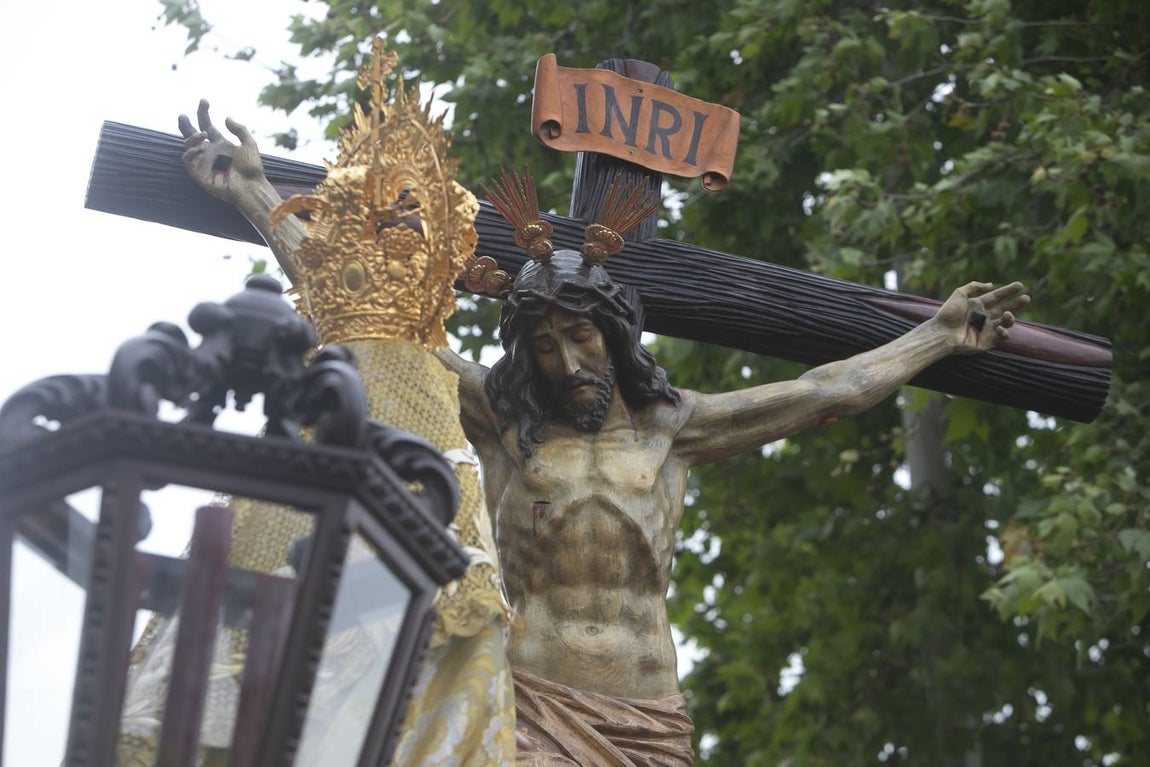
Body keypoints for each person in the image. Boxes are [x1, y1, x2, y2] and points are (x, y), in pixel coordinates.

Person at [179, 105, 1028, 766]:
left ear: (615, 337)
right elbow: (378, 322)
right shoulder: (508, 422)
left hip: (651, 723)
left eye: (580, 337)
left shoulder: (676, 428)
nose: (564, 359)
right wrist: (256, 194)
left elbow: (828, 390)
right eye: (543, 345)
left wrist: (941, 334)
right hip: (535, 704)